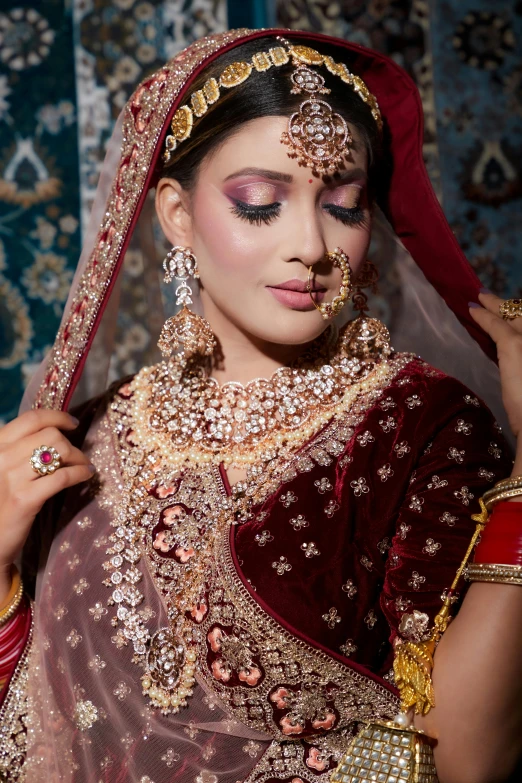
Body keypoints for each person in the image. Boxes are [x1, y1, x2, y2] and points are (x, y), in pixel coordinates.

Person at [0, 27, 522, 783]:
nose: (311, 243)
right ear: (176, 214)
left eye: (344, 205)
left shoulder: (421, 423)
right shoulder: (87, 436)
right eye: (259, 203)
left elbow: (472, 757)